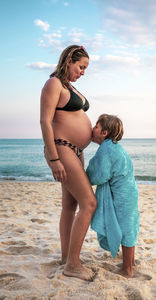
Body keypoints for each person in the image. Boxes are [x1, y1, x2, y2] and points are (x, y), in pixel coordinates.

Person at [40, 45, 97, 281]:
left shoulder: (70, 87)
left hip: (75, 151)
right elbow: (45, 121)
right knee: (89, 203)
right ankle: (73, 264)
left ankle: (66, 257)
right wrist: (53, 159)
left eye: (85, 69)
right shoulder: (53, 84)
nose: (83, 72)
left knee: (69, 206)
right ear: (68, 61)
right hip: (62, 148)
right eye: (81, 66)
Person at [86, 114, 139, 278]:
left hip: (122, 196)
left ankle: (127, 269)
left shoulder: (107, 149)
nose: (93, 128)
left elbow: (99, 175)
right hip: (129, 192)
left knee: (126, 229)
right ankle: (130, 262)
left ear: (104, 132)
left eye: (96, 126)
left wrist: (83, 177)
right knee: (129, 226)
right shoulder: (114, 147)